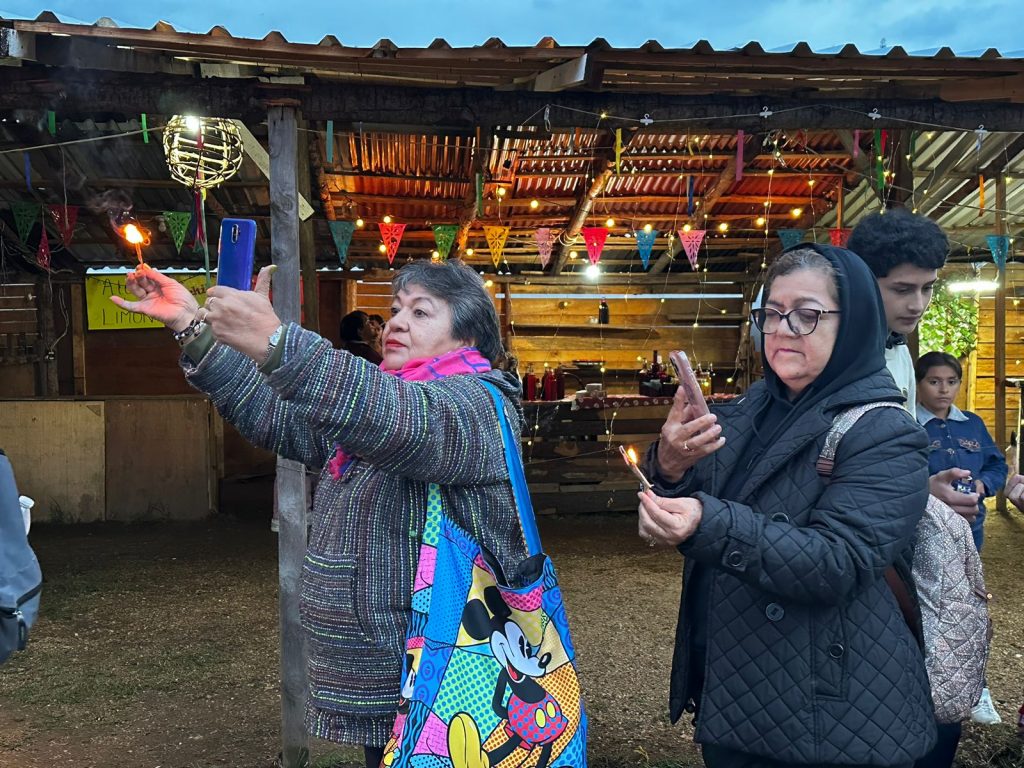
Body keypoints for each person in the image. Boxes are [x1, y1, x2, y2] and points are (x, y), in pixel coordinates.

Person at [111, 259, 529, 768]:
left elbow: (397, 419)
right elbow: (277, 415)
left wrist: (275, 342)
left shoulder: (478, 406)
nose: (396, 323)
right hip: (394, 668)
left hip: (445, 663)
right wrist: (191, 327)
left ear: (469, 337)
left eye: (421, 313)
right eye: (396, 309)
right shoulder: (374, 407)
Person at [640, 244, 935, 768]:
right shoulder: (750, 409)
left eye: (806, 314)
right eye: (772, 313)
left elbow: (839, 562)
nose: (782, 329)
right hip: (739, 686)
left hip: (833, 708)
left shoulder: (885, 433)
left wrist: (708, 521)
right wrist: (669, 465)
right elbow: (692, 497)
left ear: (854, 323)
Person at [847, 211, 980, 524]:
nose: (918, 305)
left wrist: (925, 488)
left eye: (927, 288)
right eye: (902, 289)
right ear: (861, 281)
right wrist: (921, 492)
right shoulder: (829, 355)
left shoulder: (898, 348)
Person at [914, 351, 1007, 742]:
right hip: (926, 536)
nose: (944, 390)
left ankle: (975, 688)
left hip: (971, 534)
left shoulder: (973, 423)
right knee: (930, 610)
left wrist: (985, 484)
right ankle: (930, 685)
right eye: (934, 381)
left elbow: (997, 464)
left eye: (951, 382)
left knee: (968, 608)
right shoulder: (909, 423)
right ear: (918, 383)